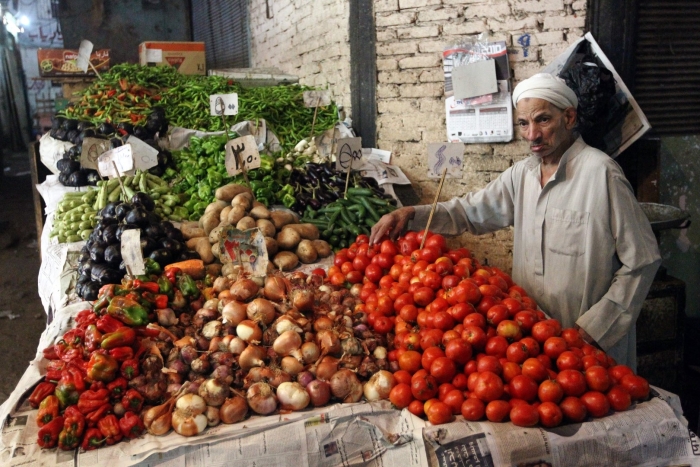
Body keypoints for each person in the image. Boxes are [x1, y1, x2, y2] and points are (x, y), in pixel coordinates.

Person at [370, 73, 661, 369]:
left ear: (569, 117)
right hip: (529, 343)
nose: (532, 134)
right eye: (524, 123)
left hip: (589, 344)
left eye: (543, 120)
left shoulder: (601, 173)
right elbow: (470, 211)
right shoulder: (521, 175)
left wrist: (599, 327)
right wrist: (412, 214)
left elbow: (643, 259)